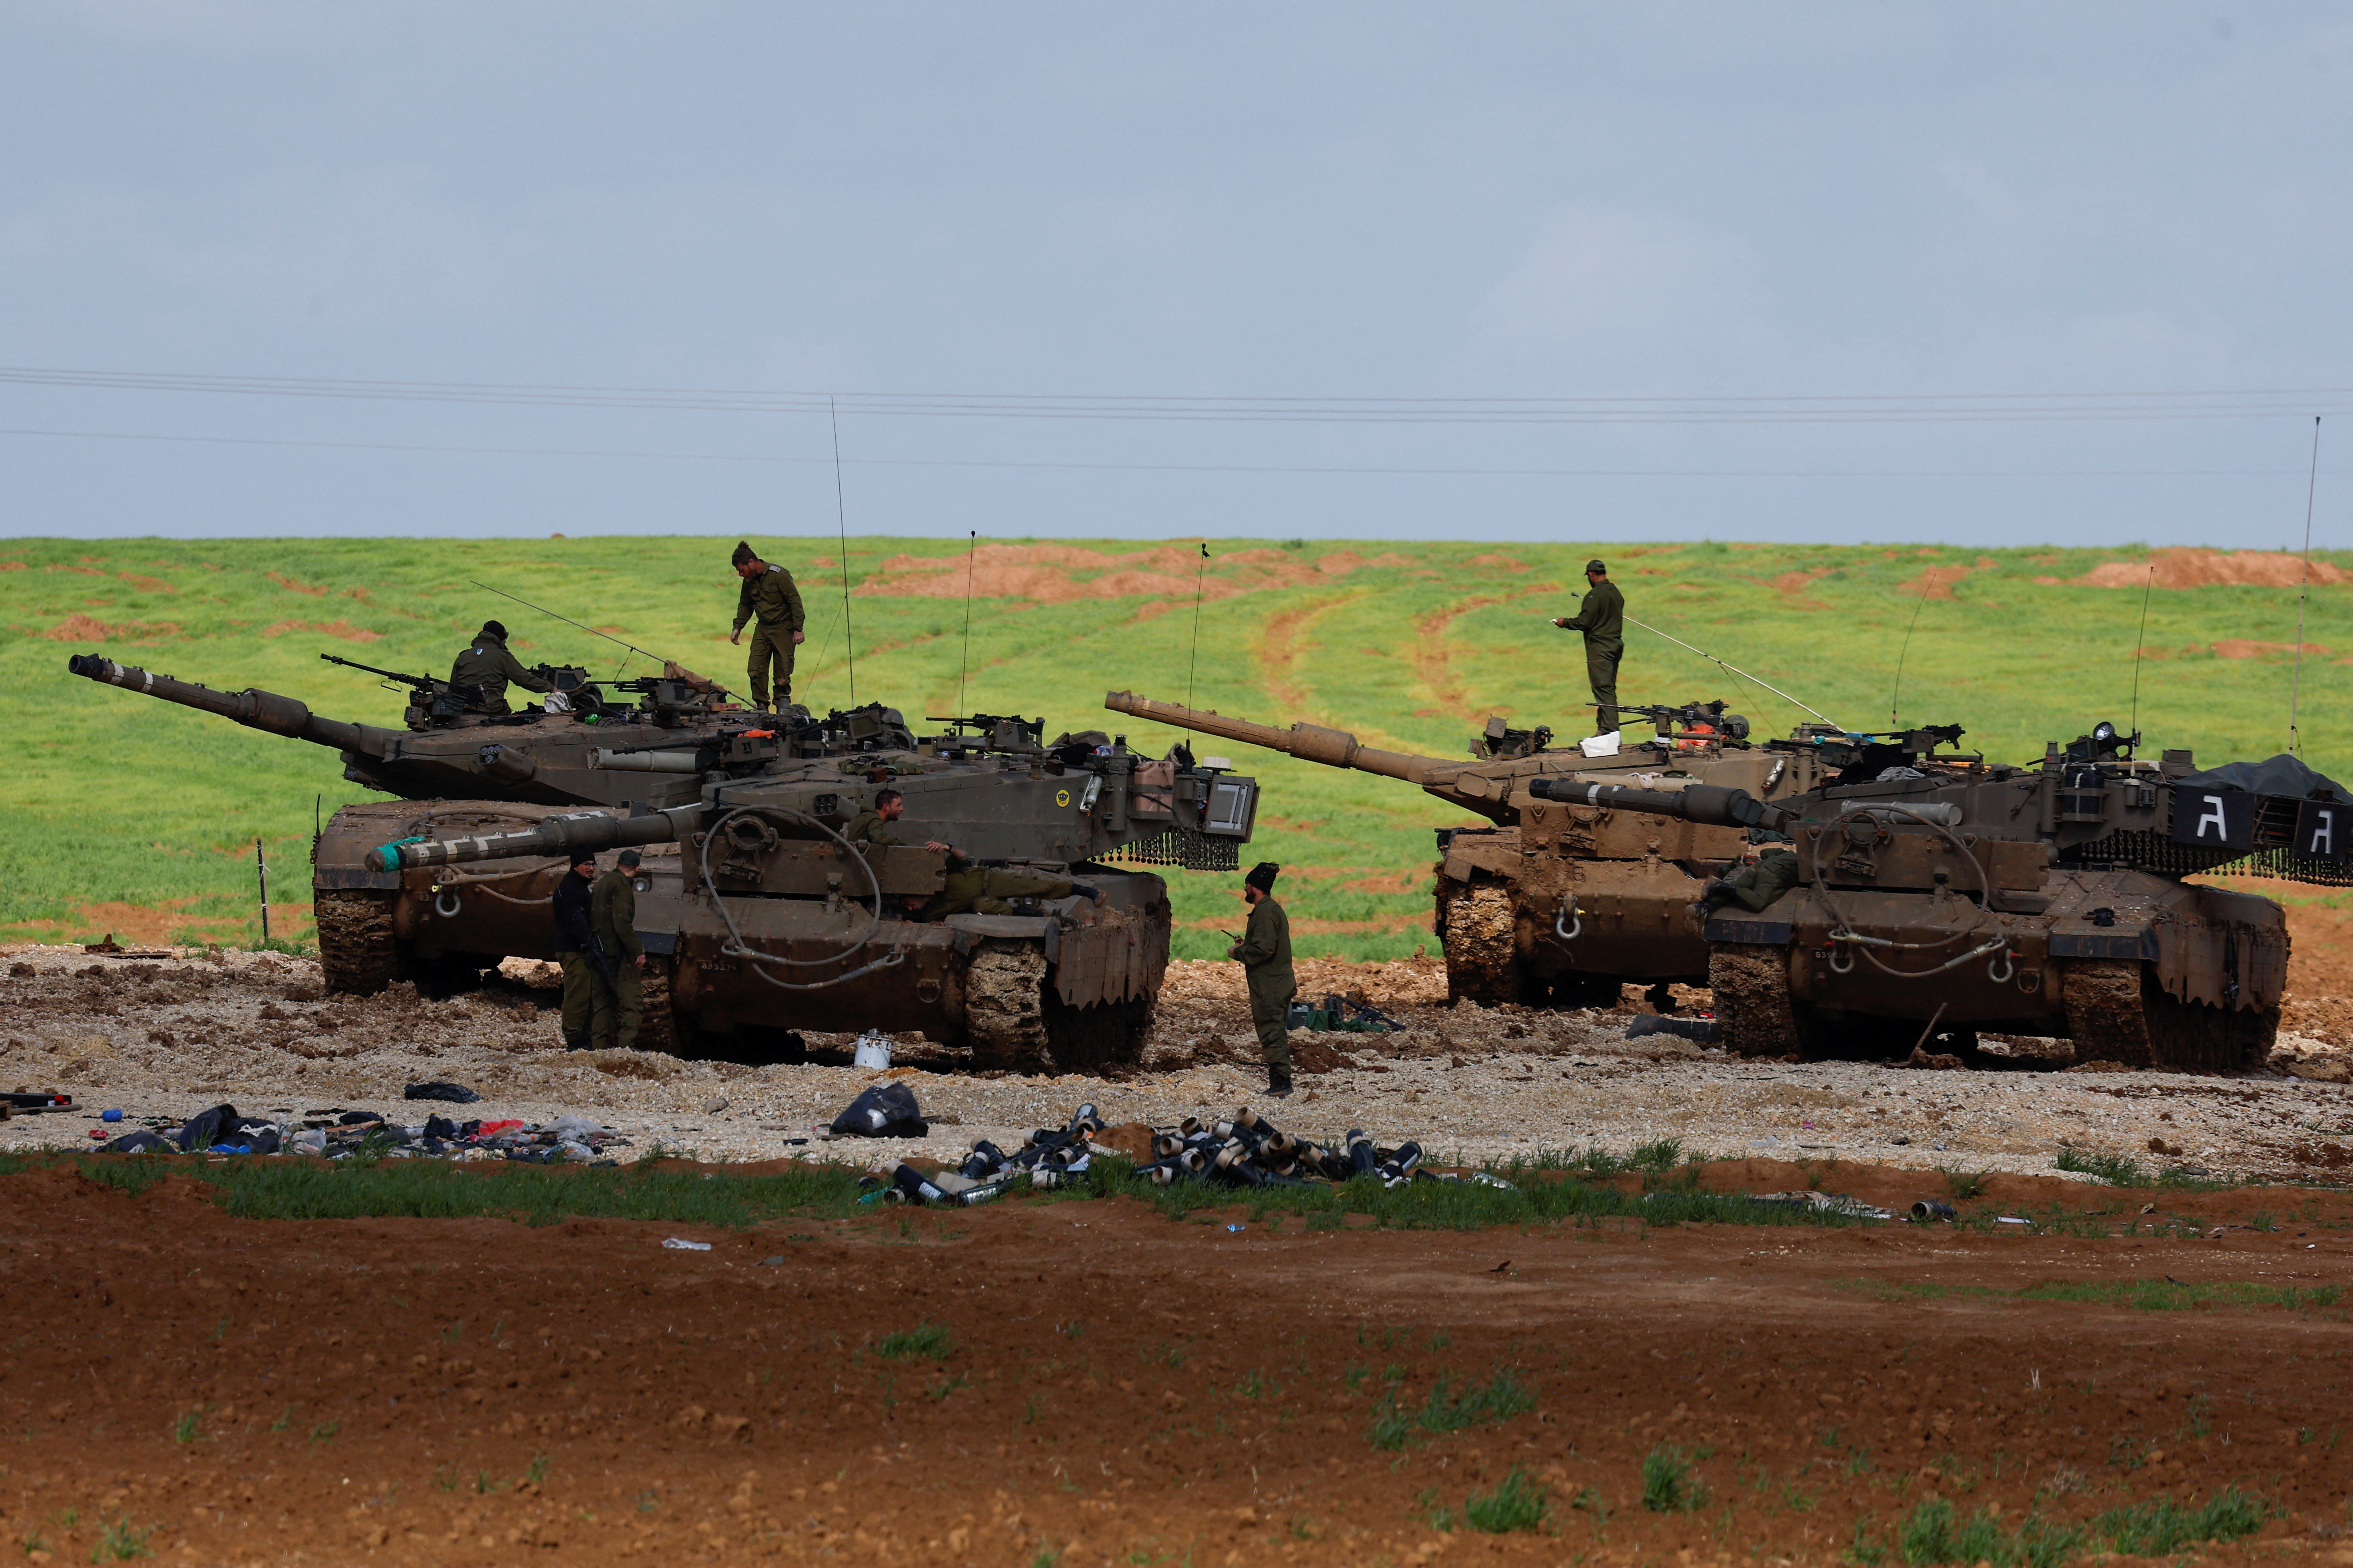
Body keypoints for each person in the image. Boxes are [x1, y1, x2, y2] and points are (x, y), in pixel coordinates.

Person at [1229, 861, 1297, 1097]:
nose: (1245, 890)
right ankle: (1279, 1082)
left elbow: (1265, 950)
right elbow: (1267, 945)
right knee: (1274, 1030)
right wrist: (1248, 946)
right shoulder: (1271, 910)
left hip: (1271, 986)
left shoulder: (1266, 912)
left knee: (1272, 1032)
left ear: (1255, 887)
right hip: (1274, 983)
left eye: (1247, 886)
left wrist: (1237, 952)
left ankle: (1281, 1084)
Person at [729, 541, 806, 713]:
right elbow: (745, 605)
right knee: (755, 670)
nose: (741, 574)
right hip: (763, 628)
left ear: (751, 563)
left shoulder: (778, 575)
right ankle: (762, 707)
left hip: (784, 629)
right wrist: (738, 628)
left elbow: (795, 601)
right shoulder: (749, 581)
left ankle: (782, 710)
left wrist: (798, 628)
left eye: (742, 570)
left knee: (783, 675)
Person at [1551, 559, 1625, 736]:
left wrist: (1564, 623)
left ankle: (1609, 731)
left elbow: (1584, 622)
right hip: (1615, 646)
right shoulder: (1615, 592)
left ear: (1591, 575)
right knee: (1608, 688)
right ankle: (1606, 728)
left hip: (1600, 649)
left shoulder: (1595, 595)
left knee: (1603, 689)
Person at [918, 853, 1101, 920]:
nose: (909, 906)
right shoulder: (935, 910)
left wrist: (947, 847)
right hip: (985, 902)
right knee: (980, 906)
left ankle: (1089, 892)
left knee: (1037, 886)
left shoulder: (944, 874)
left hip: (992, 880)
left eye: (908, 901)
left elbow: (962, 856)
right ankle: (1035, 914)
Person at [550, 854, 610, 1050]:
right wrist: (588, 941)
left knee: (587, 994)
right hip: (573, 949)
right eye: (587, 864)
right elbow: (575, 920)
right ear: (576, 866)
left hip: (579, 948)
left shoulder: (578, 885)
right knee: (578, 995)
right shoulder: (571, 888)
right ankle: (574, 1039)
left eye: (593, 865)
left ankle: (584, 1037)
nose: (591, 868)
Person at [591, 849, 647, 1051]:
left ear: (617, 863)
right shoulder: (622, 887)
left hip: (599, 952)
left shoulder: (603, 883)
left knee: (604, 1003)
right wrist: (637, 950)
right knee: (633, 1004)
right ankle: (625, 1050)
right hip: (618, 955)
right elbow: (622, 923)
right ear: (637, 868)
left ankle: (598, 1047)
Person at [450, 620, 554, 716]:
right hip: (491, 708)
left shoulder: (463, 656)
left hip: (465, 707)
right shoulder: (502, 656)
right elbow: (524, 679)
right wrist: (551, 688)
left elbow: (454, 685)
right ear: (500, 639)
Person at [1692, 839, 1803, 922]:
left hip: (1756, 868)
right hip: (1772, 874)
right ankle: (1719, 885)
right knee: (1757, 902)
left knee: (1735, 893)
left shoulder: (1790, 854)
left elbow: (1765, 853)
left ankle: (1700, 907)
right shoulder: (1807, 865)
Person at [844, 788, 952, 852]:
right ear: (886, 807)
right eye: (898, 805)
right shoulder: (874, 819)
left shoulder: (867, 817)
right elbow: (878, 838)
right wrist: (901, 845)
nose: (902, 809)